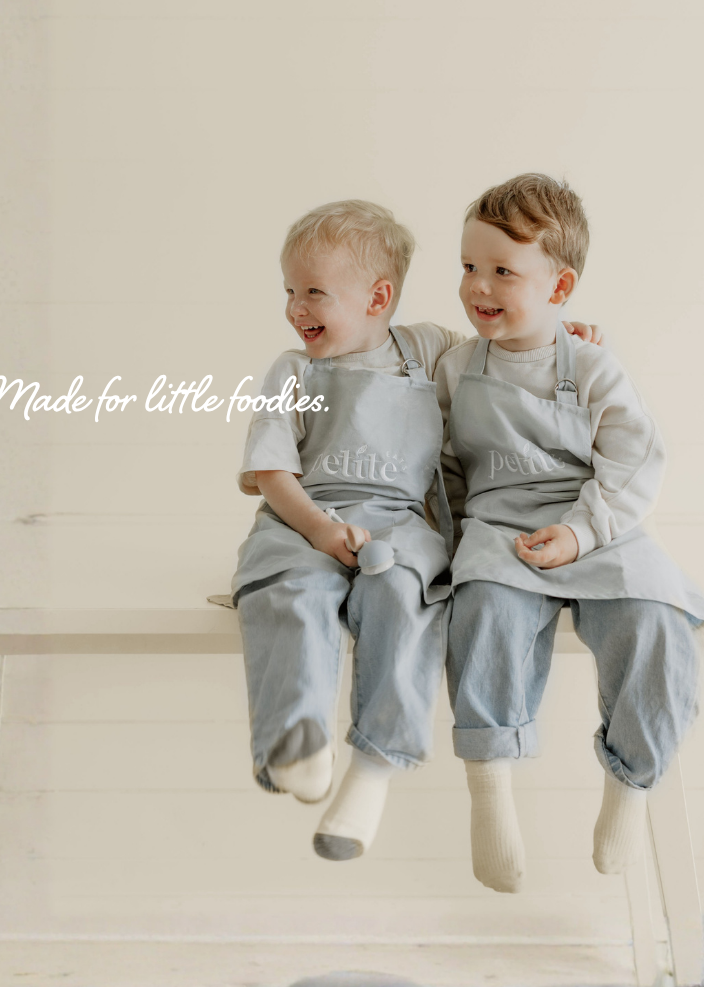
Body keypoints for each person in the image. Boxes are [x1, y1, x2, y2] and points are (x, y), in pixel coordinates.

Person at [229, 198, 599, 861]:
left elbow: (511, 346)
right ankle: (295, 739)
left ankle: (373, 772)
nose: (295, 308)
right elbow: (272, 471)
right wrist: (318, 531)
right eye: (289, 291)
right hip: (302, 516)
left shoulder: (429, 349)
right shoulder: (292, 371)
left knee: (404, 598)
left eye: (313, 292)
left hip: (398, 524)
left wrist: (562, 337)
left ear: (378, 297)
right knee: (290, 595)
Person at [435, 173, 704, 894]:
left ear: (560, 288)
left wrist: (580, 534)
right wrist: (450, 545)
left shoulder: (591, 364)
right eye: (468, 265)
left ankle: (631, 783)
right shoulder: (455, 367)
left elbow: (633, 460)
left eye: (502, 271)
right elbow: (444, 468)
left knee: (656, 618)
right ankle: (490, 789)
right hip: (499, 525)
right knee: (483, 612)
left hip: (597, 521)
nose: (478, 285)